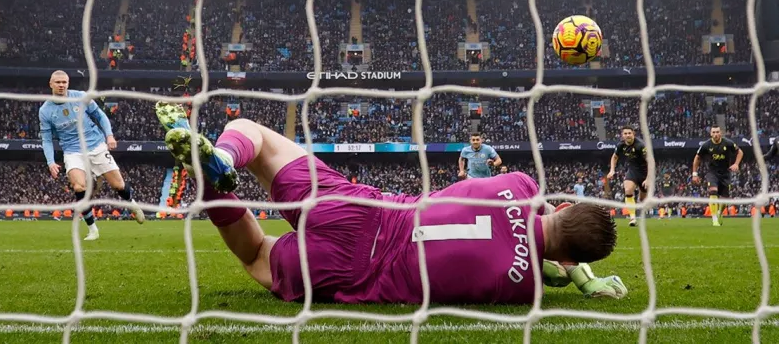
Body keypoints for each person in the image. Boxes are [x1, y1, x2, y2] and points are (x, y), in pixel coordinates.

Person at [156, 102, 626, 304]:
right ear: (567, 257)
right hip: (353, 273)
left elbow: (536, 222)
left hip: (364, 209)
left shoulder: (521, 183)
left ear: (560, 208)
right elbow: (542, 266)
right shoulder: (522, 288)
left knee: (256, 136)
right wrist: (583, 280)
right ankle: (212, 187)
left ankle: (221, 157)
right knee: (258, 254)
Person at [39, 70, 144, 241]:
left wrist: (109, 135)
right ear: (51, 84)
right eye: (57, 82)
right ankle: (93, 229)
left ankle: (132, 204)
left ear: (68, 83)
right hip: (73, 151)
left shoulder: (81, 97)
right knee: (79, 187)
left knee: (118, 185)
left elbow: (100, 116)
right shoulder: (45, 110)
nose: (61, 85)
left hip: (96, 145)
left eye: (64, 82)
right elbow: (47, 139)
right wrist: (50, 162)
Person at [692, 126, 742, 227]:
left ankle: (719, 212)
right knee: (713, 192)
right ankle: (714, 219)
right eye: (713, 132)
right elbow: (697, 158)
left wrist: (736, 164)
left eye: (717, 132)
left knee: (724, 199)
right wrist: (694, 174)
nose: (715, 134)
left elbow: (740, 152)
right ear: (711, 134)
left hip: (726, 173)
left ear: (721, 133)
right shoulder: (706, 145)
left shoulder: (728, 143)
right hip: (712, 173)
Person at [607, 126, 649, 227]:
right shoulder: (621, 145)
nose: (627, 135)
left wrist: (648, 178)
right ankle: (632, 218)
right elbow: (615, 157)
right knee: (628, 190)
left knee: (643, 199)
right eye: (625, 133)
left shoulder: (640, 145)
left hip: (645, 171)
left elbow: (650, 162)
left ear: (633, 134)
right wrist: (612, 170)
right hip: (633, 170)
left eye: (629, 133)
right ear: (622, 135)